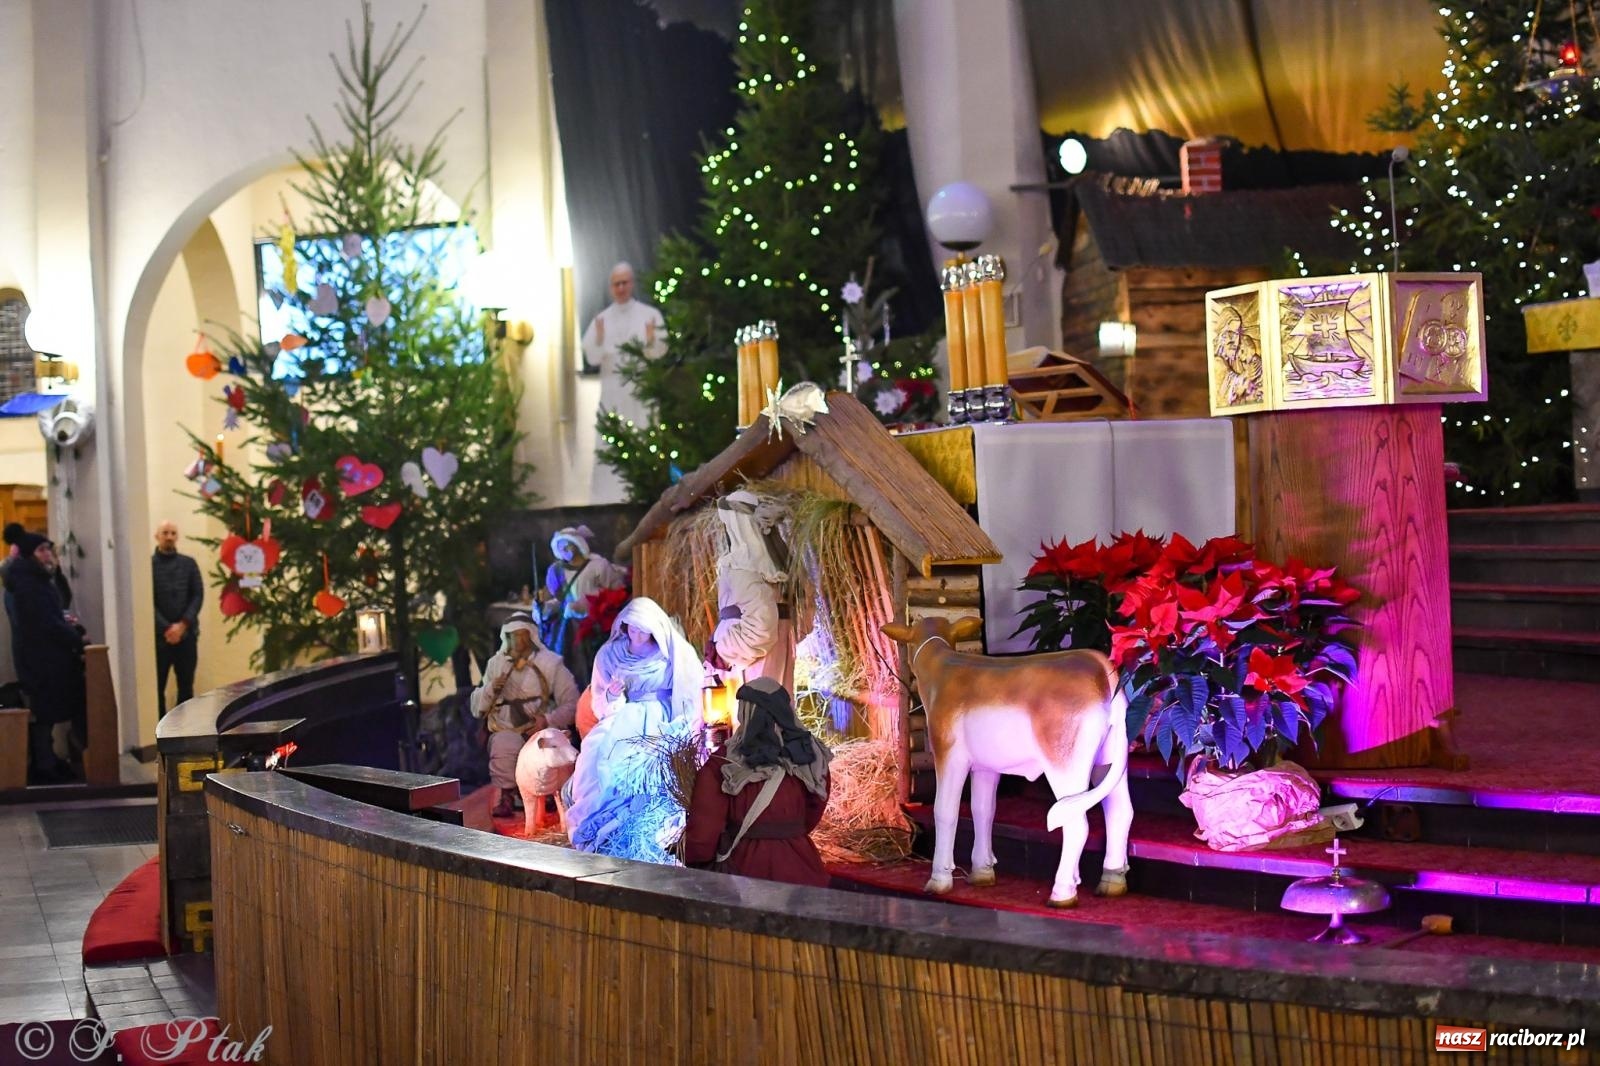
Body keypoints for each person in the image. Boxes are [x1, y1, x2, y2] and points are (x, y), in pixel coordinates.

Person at [563, 597, 704, 861]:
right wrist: (613, 695)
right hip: (624, 716)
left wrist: (681, 725)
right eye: (631, 628)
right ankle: (605, 828)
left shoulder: (671, 652)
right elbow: (601, 703)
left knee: (657, 764)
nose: (636, 635)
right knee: (598, 754)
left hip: (661, 717)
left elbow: (688, 691)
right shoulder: (611, 654)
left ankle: (652, 829)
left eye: (642, 629)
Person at [683, 677, 832, 887]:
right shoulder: (810, 756)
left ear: (745, 712)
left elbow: (703, 835)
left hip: (745, 874)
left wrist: (690, 854)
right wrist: (787, 833)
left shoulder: (723, 763)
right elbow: (814, 809)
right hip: (802, 868)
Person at [471, 617, 580, 819]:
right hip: (507, 728)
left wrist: (547, 720)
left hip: (539, 731)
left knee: (547, 751)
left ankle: (549, 797)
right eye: (513, 637)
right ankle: (507, 797)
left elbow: (573, 704)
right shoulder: (496, 664)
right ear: (506, 637)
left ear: (531, 636)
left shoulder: (551, 663)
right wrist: (490, 689)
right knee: (503, 744)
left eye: (523, 636)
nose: (518, 643)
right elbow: (477, 706)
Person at [4, 532, 85, 784]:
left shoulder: (35, 579)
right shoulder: (28, 584)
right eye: (42, 550)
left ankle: (48, 760)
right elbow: (45, 623)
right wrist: (75, 639)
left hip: (44, 657)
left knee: (46, 712)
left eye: (48, 549)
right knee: (43, 712)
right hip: (41, 660)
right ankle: (44, 765)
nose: (48, 554)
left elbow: (54, 611)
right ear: (29, 554)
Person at [581, 262, 666, 503]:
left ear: (632, 283)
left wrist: (650, 341)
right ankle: (607, 499)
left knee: (643, 435)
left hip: (640, 393)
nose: (621, 288)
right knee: (611, 445)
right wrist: (598, 338)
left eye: (624, 282)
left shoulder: (649, 315)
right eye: (616, 284)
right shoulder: (602, 319)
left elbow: (659, 351)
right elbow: (592, 356)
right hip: (612, 393)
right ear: (611, 287)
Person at [707, 490, 795, 694]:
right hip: (771, 653)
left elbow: (761, 624)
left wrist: (723, 651)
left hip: (748, 662)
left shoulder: (743, 564)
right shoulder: (778, 565)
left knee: (752, 717)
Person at [539, 526, 628, 685]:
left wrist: (586, 606)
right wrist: (544, 607)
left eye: (567, 544)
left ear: (577, 544)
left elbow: (616, 593)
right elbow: (559, 601)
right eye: (560, 546)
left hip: (593, 628)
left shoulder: (598, 566)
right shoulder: (557, 571)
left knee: (591, 667)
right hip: (566, 629)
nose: (563, 549)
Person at [152, 520, 205, 717]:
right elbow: (147, 601)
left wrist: (182, 625)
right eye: (165, 532)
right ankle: (159, 736)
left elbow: (197, 595)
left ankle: (183, 734)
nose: (169, 536)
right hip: (160, 638)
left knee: (186, 687)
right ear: (156, 536)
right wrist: (166, 628)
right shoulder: (148, 565)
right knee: (157, 688)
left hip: (187, 635)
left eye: (173, 533)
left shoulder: (189, 564)